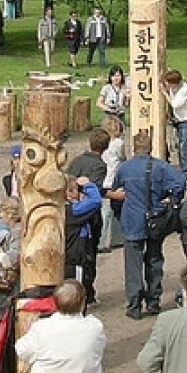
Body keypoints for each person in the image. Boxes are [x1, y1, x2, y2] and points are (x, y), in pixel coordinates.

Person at [111, 130, 186, 319]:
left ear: (134, 147)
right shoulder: (160, 167)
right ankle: (153, 301)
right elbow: (180, 181)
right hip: (154, 219)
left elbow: (116, 192)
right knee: (154, 260)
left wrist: (120, 214)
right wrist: (171, 199)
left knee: (133, 264)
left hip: (132, 219)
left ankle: (134, 305)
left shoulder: (125, 168)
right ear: (150, 147)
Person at [66, 129, 110, 303]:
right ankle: (87, 293)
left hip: (75, 207)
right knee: (89, 255)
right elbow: (96, 191)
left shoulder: (77, 161)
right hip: (87, 215)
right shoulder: (99, 165)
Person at [63, 176, 102, 298]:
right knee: (77, 292)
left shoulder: (65, 209)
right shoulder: (74, 210)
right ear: (69, 192)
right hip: (75, 258)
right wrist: (88, 185)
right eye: (76, 190)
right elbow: (95, 200)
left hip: (71, 256)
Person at [0, 196, 22, 326]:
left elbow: (12, 260)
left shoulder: (17, 233)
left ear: (10, 214)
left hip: (11, 290)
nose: (1, 216)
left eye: (3, 212)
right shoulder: (14, 231)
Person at [162, 70, 187, 173]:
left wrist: (164, 93)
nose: (167, 85)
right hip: (180, 119)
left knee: (186, 145)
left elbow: (175, 104)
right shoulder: (173, 88)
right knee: (179, 145)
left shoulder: (184, 89)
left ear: (175, 83)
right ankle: (184, 166)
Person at [99, 115, 126, 252]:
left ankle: (104, 239)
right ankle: (109, 240)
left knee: (105, 211)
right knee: (112, 211)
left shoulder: (103, 144)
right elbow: (122, 158)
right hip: (113, 180)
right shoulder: (118, 144)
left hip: (104, 179)